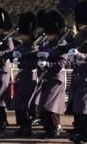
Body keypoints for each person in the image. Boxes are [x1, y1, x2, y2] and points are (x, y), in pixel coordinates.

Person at [37, 10, 67, 138]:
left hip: (56, 77)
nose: (47, 35)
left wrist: (48, 64)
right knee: (44, 104)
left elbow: (61, 62)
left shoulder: (62, 44)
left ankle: (56, 127)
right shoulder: (47, 44)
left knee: (50, 104)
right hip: (47, 77)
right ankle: (49, 129)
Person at [11, 11, 38, 137]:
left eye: (24, 34)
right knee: (18, 103)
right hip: (22, 76)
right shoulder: (23, 45)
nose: (22, 37)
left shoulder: (34, 46)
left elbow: (33, 60)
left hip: (29, 76)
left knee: (24, 104)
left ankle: (27, 127)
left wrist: (21, 58)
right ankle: (23, 126)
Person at [67, 0, 87, 143]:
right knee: (78, 105)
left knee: (83, 105)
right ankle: (79, 131)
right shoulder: (81, 35)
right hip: (79, 74)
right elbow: (71, 46)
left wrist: (80, 55)